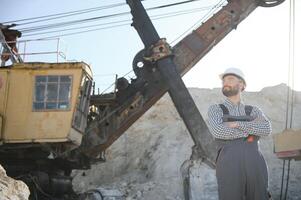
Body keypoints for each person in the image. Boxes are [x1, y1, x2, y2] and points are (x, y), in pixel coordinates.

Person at [207, 67, 272, 200]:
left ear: (241, 84)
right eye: (224, 80)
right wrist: (251, 129)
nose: (225, 82)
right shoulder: (216, 109)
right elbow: (219, 131)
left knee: (259, 196)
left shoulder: (253, 110)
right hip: (229, 161)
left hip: (254, 161)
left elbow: (266, 129)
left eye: (230, 78)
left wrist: (238, 124)